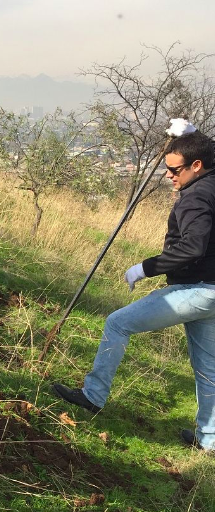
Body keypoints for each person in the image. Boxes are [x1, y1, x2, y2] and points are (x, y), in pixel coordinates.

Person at [52, 123, 215, 453]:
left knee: (118, 322)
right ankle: (210, 439)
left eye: (174, 169)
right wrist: (191, 136)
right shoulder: (210, 182)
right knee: (208, 367)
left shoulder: (195, 198)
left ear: (196, 166)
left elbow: (193, 247)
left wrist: (146, 268)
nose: (169, 175)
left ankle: (93, 395)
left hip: (198, 290)